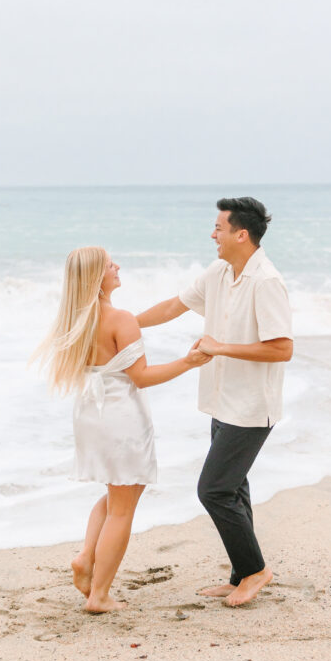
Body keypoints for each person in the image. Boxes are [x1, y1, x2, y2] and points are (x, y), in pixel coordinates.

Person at [31, 246, 210, 614]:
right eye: (111, 264)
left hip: (91, 415)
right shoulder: (119, 318)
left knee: (119, 494)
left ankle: (85, 558)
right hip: (120, 416)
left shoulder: (75, 320)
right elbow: (141, 378)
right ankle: (99, 595)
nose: (117, 267)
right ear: (97, 276)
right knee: (122, 508)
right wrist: (189, 362)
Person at [136, 196, 293, 607]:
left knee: (214, 490)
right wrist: (124, 323)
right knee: (234, 489)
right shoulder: (220, 271)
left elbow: (281, 349)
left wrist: (221, 347)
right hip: (222, 400)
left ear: (242, 234)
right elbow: (175, 305)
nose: (213, 235)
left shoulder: (266, 282)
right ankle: (243, 573)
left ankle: (256, 571)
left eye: (219, 228)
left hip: (252, 407)